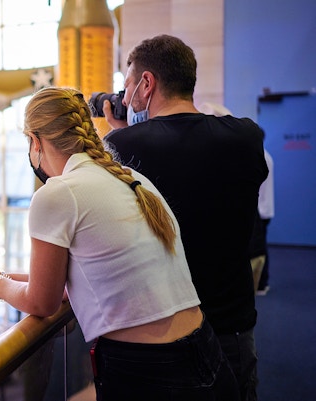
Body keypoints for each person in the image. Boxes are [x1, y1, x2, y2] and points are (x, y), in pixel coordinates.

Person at [0, 86, 239, 400]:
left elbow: (43, 302)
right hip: (206, 352)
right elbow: (89, 274)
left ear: (35, 141)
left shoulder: (56, 194)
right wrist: (5, 276)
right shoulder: (131, 178)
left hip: (151, 372)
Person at [101, 35, 268, 401]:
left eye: (128, 88)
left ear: (147, 84)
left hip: (166, 332)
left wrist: (120, 133)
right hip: (234, 323)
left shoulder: (127, 146)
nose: (125, 100)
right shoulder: (245, 137)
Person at [255, 141, 274, 295]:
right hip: (264, 209)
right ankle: (262, 282)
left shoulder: (262, 157)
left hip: (261, 210)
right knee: (261, 246)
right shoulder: (265, 155)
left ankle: (262, 282)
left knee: (260, 248)